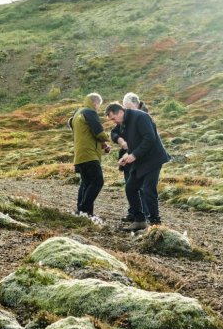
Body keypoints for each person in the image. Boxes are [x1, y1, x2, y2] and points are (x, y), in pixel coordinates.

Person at [104, 103, 170, 231]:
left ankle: (155, 224)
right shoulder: (123, 123)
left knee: (148, 190)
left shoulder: (140, 117)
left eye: (113, 118)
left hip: (153, 159)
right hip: (140, 159)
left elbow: (150, 138)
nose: (113, 122)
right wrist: (127, 156)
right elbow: (134, 142)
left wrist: (134, 155)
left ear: (120, 112)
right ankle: (139, 220)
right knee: (130, 188)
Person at [69, 92, 111, 223]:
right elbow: (99, 132)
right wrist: (107, 139)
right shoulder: (90, 112)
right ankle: (84, 211)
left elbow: (86, 133)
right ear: (95, 103)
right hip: (89, 154)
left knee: (86, 183)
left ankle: (83, 213)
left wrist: (102, 145)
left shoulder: (78, 113)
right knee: (98, 181)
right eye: (99, 105)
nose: (98, 108)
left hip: (80, 155)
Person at [111, 93, 149, 223]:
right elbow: (114, 132)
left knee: (141, 188)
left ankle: (144, 214)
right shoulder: (124, 117)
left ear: (137, 104)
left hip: (139, 157)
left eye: (129, 107)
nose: (127, 111)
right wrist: (119, 140)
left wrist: (132, 154)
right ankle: (133, 212)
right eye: (125, 108)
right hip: (127, 158)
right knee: (130, 187)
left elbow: (147, 139)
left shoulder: (143, 116)